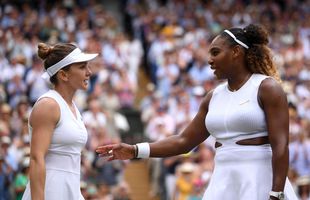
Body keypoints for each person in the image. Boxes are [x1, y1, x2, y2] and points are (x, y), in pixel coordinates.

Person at [96, 24, 299, 200]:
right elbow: (183, 141)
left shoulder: (267, 87)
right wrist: (135, 150)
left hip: (259, 179)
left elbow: (281, 145)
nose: (209, 60)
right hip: (223, 179)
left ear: (236, 52)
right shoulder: (213, 96)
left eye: (215, 52)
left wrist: (277, 193)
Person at [22, 42, 98, 200]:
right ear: (63, 75)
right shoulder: (48, 105)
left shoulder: (74, 108)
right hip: (49, 191)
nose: (89, 72)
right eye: (82, 67)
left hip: (71, 189)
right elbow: (37, 159)